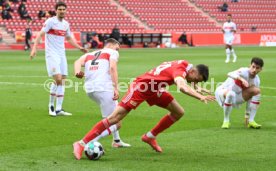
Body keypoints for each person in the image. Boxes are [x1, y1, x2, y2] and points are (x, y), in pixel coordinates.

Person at [73, 60, 215, 160]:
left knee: (178, 112)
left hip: (154, 88)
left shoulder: (186, 65)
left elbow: (187, 79)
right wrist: (199, 97)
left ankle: (150, 136)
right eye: (197, 79)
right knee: (115, 118)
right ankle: (81, 143)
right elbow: (183, 86)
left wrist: (198, 88)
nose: (195, 81)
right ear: (194, 71)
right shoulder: (180, 70)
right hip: (141, 87)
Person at [30, 1, 88, 116]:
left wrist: (79, 47)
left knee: (63, 80)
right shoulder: (50, 21)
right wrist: (34, 48)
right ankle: (51, 105)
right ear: (56, 10)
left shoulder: (66, 24)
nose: (62, 11)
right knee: (57, 78)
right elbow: (40, 34)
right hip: (51, 53)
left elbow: (69, 38)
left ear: (66, 11)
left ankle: (59, 109)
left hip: (62, 54)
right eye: (59, 9)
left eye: (63, 9)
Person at [74, 38, 130, 148]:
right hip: (104, 88)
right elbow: (113, 68)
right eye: (117, 48)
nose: (118, 51)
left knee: (110, 116)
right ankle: (85, 143)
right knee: (116, 122)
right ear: (111, 45)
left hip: (90, 90)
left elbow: (77, 62)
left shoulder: (90, 54)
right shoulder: (112, 52)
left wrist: (77, 72)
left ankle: (116, 141)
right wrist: (115, 88)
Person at [215, 57, 264, 129]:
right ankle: (226, 121)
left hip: (237, 96)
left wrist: (247, 115)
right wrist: (240, 79)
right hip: (223, 91)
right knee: (230, 94)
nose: (254, 70)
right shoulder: (243, 71)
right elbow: (229, 73)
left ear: (260, 69)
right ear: (249, 66)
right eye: (253, 67)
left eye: (257, 68)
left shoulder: (257, 81)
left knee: (257, 91)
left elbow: (250, 98)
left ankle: (251, 121)